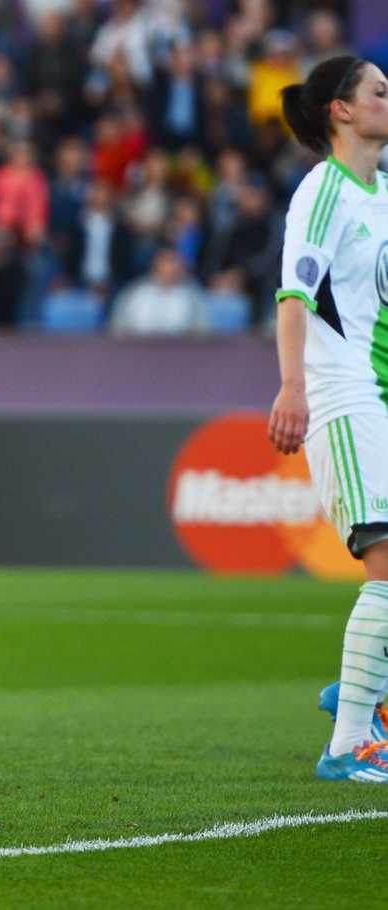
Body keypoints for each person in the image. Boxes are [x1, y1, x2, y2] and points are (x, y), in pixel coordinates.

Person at [270, 55, 388, 783]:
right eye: (380, 90)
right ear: (341, 110)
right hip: (343, 397)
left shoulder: (382, 192)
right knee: (385, 561)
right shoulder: (324, 190)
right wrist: (291, 387)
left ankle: (361, 691)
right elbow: (295, 296)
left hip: (382, 394)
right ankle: (348, 743)